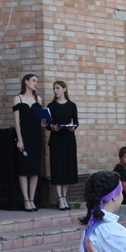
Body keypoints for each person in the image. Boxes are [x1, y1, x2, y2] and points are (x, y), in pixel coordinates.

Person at [12, 73, 44, 211]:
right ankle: (25, 200)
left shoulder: (39, 99)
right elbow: (17, 122)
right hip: (24, 136)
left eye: (37, 81)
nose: (36, 83)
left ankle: (32, 199)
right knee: (24, 169)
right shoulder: (18, 98)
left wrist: (43, 123)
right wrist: (20, 139)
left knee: (35, 170)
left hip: (36, 136)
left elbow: (40, 119)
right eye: (33, 80)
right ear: (26, 81)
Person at [47, 80, 79, 210]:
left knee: (66, 168)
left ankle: (64, 197)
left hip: (68, 138)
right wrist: (52, 128)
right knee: (57, 168)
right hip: (56, 138)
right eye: (54, 88)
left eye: (58, 88)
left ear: (64, 89)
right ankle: (59, 199)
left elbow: (76, 122)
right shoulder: (51, 106)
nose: (56, 90)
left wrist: (73, 128)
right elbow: (48, 124)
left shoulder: (72, 105)